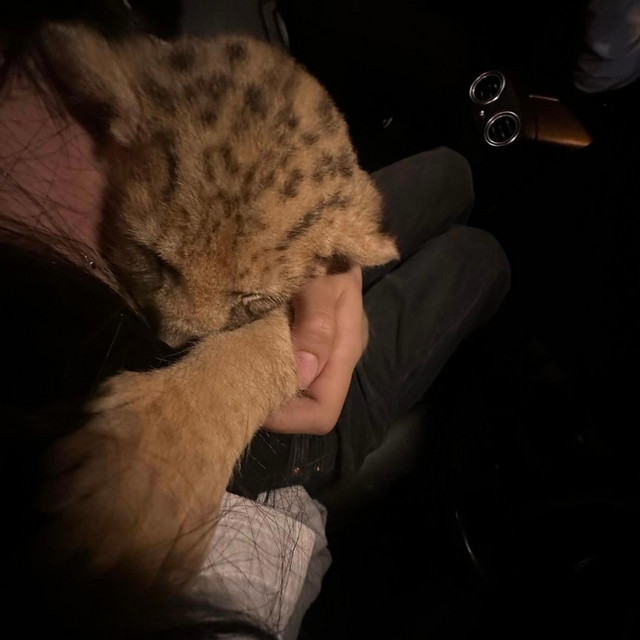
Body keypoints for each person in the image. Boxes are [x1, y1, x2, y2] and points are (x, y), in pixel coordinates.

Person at [0, 1, 510, 638]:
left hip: (284, 273)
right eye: (158, 259)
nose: (180, 325)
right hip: (275, 423)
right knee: (483, 260)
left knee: (451, 172)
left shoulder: (75, 53)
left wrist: (316, 247)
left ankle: (461, 187)